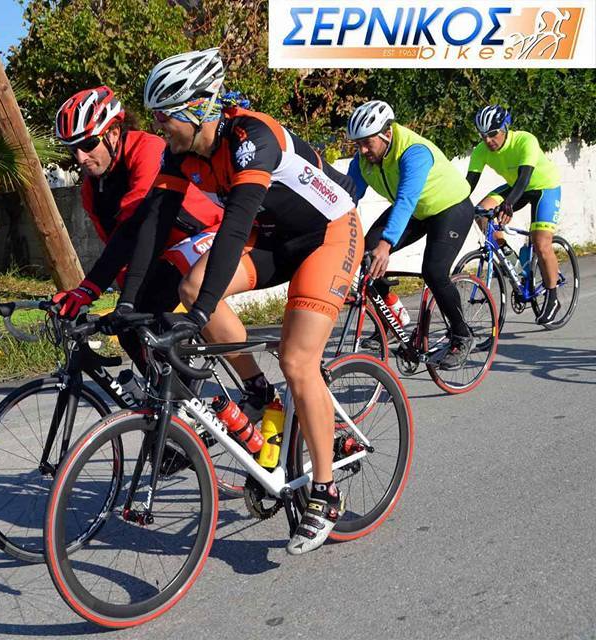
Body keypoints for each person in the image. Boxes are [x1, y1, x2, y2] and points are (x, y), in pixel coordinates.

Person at [116, 48, 364, 555]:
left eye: (164, 116)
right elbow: (151, 227)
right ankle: (258, 390)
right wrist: (125, 304)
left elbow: (232, 229)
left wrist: (201, 315)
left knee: (298, 360)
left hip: (328, 235)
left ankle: (325, 491)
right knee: (190, 287)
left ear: (198, 108)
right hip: (274, 238)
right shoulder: (183, 153)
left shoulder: (253, 137)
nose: (157, 126)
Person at [50, 86, 223, 366]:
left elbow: (135, 227)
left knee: (152, 311)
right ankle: (167, 393)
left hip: (205, 234)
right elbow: (118, 250)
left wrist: (91, 288)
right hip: (161, 251)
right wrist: (105, 296)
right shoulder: (91, 190)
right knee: (130, 330)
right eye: (73, 149)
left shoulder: (148, 150)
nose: (80, 158)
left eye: (89, 144)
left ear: (113, 133)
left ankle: (240, 387)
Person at [345, 100, 475, 370]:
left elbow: (406, 199)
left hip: (450, 208)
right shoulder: (363, 159)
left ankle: (462, 335)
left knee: (434, 271)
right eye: (357, 144)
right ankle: (392, 319)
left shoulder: (414, 152)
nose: (362, 150)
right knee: (367, 254)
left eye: (367, 143)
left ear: (387, 134)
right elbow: (347, 197)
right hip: (417, 211)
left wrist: (387, 244)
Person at [467, 105, 563, 325]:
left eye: (493, 134)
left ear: (505, 128)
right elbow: (467, 185)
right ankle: (512, 262)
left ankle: (553, 296)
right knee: (481, 213)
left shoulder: (525, 141)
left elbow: (524, 178)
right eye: (483, 135)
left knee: (541, 243)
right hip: (515, 187)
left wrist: (508, 204)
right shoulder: (481, 150)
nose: (488, 140)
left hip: (544, 187)